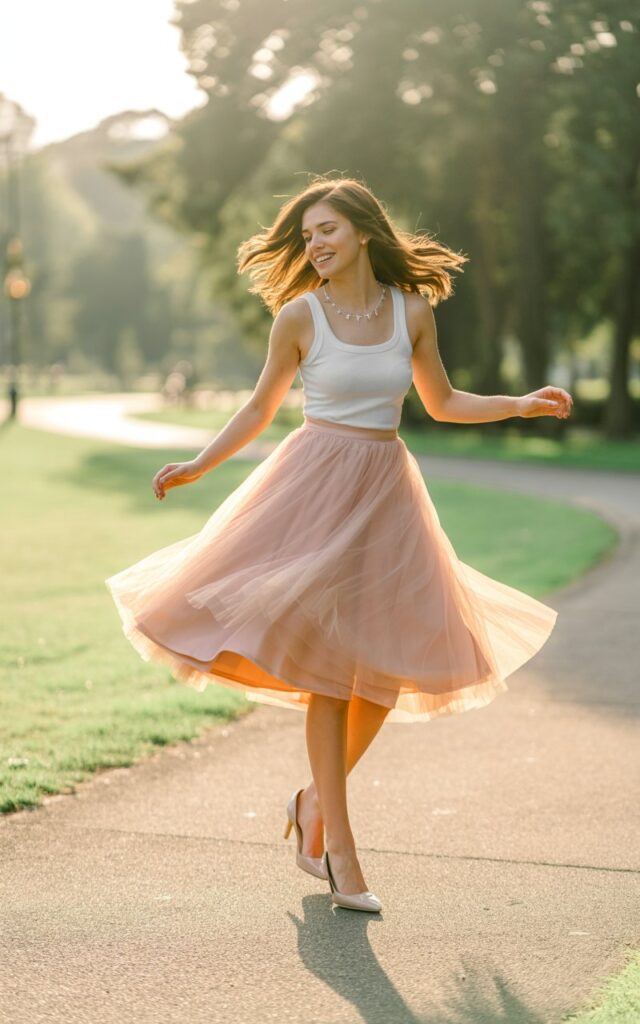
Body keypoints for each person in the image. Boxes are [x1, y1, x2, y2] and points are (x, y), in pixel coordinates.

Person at [105, 175, 572, 914]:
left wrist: (518, 404)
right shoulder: (299, 316)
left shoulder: (411, 311)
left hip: (386, 496)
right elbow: (259, 407)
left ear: (361, 230)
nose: (315, 244)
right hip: (314, 490)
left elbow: (442, 402)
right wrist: (201, 463)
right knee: (329, 673)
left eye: (326, 230)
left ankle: (312, 801)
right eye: (307, 235)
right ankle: (343, 856)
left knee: (389, 667)